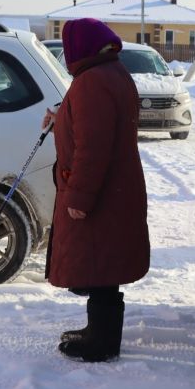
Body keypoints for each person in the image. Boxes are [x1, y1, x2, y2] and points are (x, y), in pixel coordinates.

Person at [42, 18, 150, 362]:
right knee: (101, 266)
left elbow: (93, 146)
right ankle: (98, 333)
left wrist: (79, 196)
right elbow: (97, 124)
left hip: (101, 195)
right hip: (116, 190)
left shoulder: (91, 83)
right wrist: (63, 116)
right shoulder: (112, 73)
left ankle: (101, 343)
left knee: (99, 266)